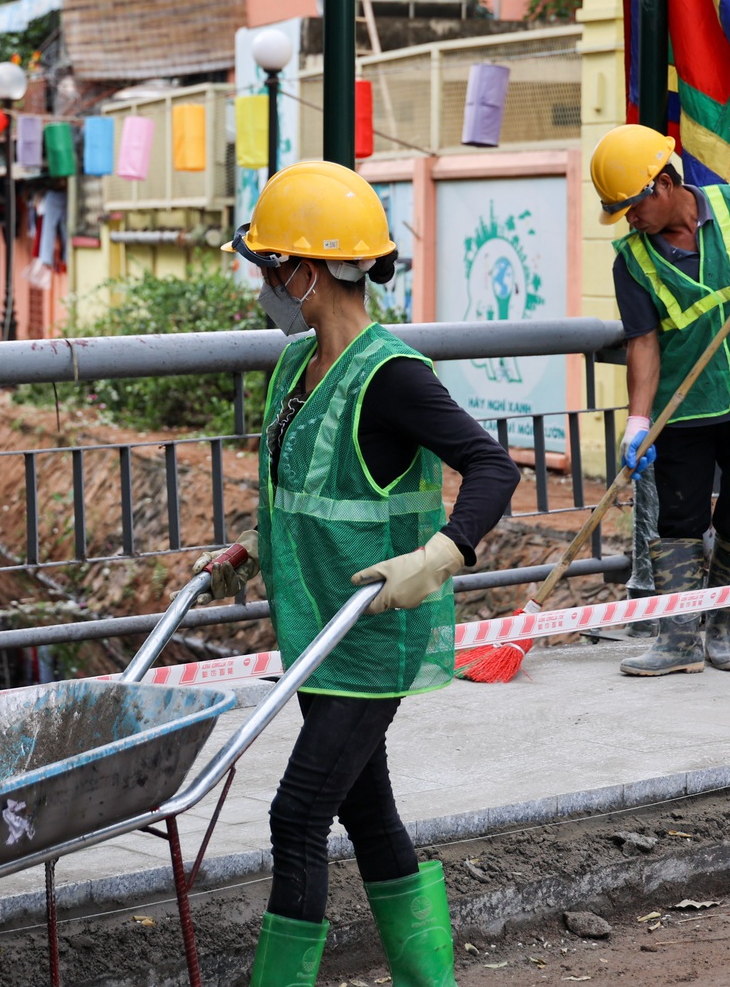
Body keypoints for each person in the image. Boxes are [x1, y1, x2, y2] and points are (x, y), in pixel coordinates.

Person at [193, 160, 518, 987]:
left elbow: (490, 465)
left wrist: (439, 556)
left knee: (296, 812)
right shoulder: (294, 368)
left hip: (373, 635)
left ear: (304, 271)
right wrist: (253, 547)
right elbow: (311, 489)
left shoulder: (392, 375)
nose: (263, 282)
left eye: (269, 267)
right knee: (367, 809)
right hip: (314, 630)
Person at [591, 124, 730, 676]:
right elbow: (643, 343)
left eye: (633, 206)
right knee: (679, 520)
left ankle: (723, 634)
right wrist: (639, 421)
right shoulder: (631, 262)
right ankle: (678, 641)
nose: (629, 219)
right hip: (683, 409)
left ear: (663, 184)